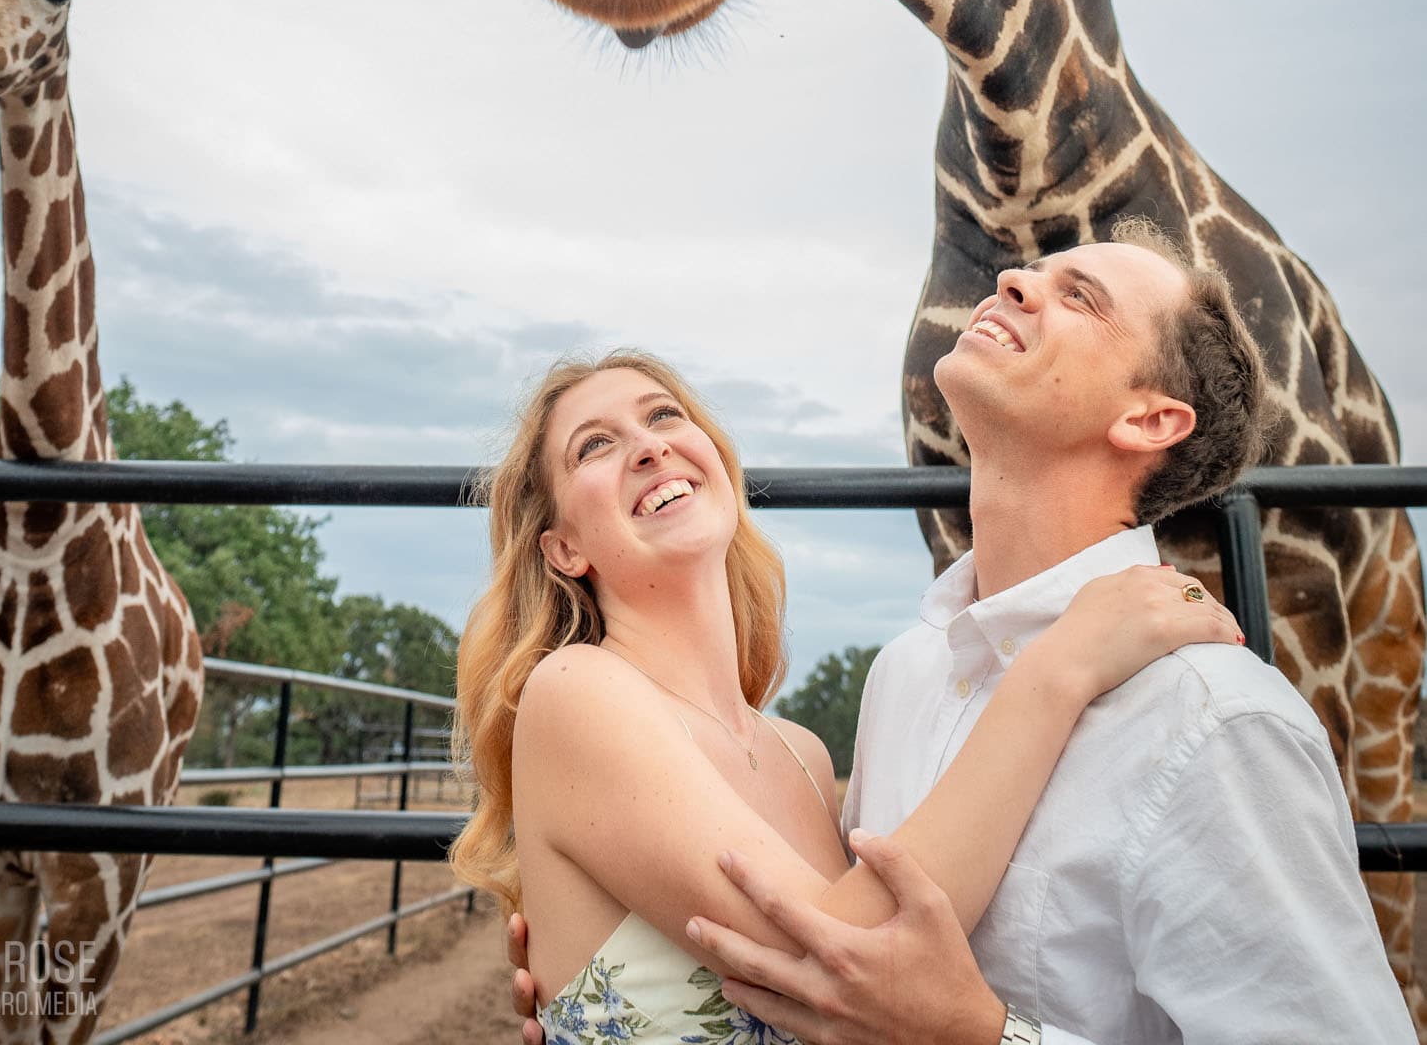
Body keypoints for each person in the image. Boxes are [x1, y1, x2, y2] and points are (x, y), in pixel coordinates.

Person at [592, 227, 1413, 1044]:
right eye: (1030, 272)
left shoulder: (1219, 719)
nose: (1015, 280)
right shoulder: (907, 675)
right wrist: (616, 997)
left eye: (1080, 297)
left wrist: (984, 1037)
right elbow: (825, 961)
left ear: (1151, 419)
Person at [459, 328, 1244, 1045]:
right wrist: (1058, 669)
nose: (647, 447)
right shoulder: (575, 689)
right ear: (563, 548)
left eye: (664, 416)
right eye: (594, 446)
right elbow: (855, 954)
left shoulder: (800, 754)